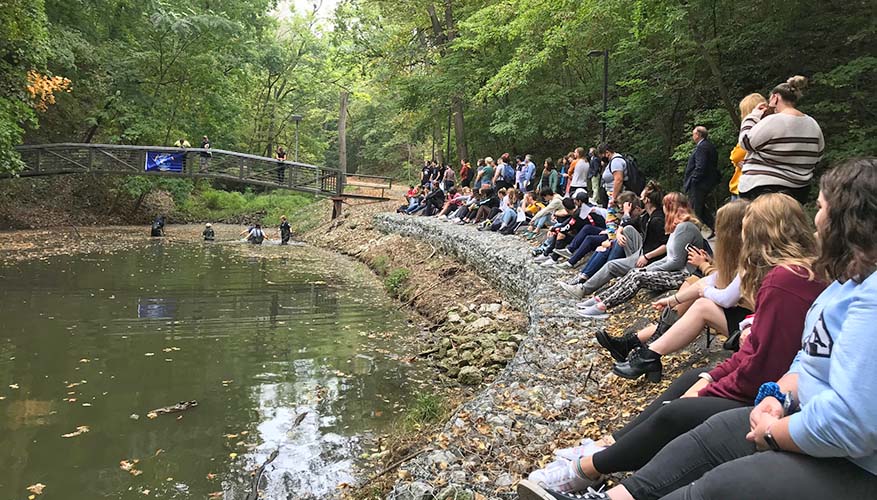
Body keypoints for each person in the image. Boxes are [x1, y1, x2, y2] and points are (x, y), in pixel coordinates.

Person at [544, 158, 877, 500]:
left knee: (711, 464)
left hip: (848, 454)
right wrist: (774, 398)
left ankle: (594, 458)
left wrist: (772, 428)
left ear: (847, 221)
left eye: (821, 209)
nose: (815, 220)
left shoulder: (793, 281)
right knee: (704, 415)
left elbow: (839, 413)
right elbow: (803, 361)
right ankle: (607, 476)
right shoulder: (840, 284)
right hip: (793, 406)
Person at [606, 200, 750, 381]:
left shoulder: (749, 258)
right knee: (693, 285)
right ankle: (638, 345)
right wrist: (674, 298)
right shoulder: (741, 254)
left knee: (698, 296)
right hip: (738, 311)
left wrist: (704, 266)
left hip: (748, 323)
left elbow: (723, 288)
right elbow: (718, 279)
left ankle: (643, 349)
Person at [577, 192, 705, 319]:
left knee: (638, 276)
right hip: (677, 272)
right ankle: (599, 299)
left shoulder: (685, 227)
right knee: (635, 272)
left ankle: (603, 306)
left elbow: (676, 262)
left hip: (685, 276)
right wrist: (648, 268)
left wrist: (650, 269)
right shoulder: (678, 227)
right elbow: (669, 257)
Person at [738, 75, 824, 204]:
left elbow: (745, 142)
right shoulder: (812, 123)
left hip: (764, 189)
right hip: (799, 191)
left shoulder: (772, 120)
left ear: (775, 97)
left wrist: (753, 116)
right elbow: (818, 156)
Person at [683, 126, 720, 237]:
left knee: (695, 208)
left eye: (694, 134)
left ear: (698, 135)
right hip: (706, 182)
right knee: (702, 208)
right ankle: (715, 228)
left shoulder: (702, 147)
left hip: (700, 183)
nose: (692, 136)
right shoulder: (709, 146)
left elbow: (701, 166)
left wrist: (694, 179)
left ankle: (694, 233)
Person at [728, 94, 767, 200]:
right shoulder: (769, 126)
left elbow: (735, 155)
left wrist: (735, 160)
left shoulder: (751, 132)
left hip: (743, 187)